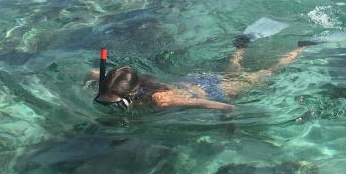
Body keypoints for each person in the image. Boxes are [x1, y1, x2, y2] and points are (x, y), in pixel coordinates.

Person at [86, 39, 313, 112]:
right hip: (192, 80)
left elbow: (225, 107)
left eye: (115, 106)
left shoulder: (162, 100)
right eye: (103, 102)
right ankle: (240, 46)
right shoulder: (111, 84)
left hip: (214, 90)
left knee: (267, 73)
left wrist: (229, 122)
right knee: (233, 68)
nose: (108, 107)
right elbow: (92, 72)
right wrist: (88, 81)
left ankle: (302, 47)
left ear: (130, 95)